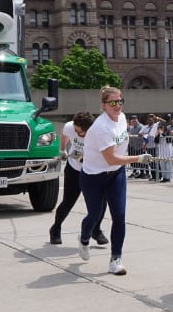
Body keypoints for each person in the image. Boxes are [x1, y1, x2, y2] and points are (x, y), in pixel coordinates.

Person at [78, 86, 153, 275]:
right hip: (93, 177)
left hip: (116, 175)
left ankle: (115, 259)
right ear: (104, 106)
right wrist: (137, 159)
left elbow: (117, 156)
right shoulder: (101, 127)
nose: (117, 105)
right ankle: (84, 238)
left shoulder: (122, 118)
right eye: (113, 102)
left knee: (119, 215)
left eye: (120, 101)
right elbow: (110, 158)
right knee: (94, 215)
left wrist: (128, 159)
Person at [50, 112, 107, 246]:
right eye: (75, 129)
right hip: (74, 170)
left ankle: (96, 230)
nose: (75, 131)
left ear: (88, 130)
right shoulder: (70, 127)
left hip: (93, 171)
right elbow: (64, 135)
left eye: (79, 131)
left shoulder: (98, 134)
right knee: (68, 202)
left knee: (101, 203)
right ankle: (56, 228)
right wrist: (63, 150)